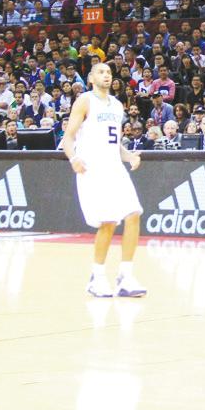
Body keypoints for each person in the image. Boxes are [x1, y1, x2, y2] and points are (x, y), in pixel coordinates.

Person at [60, 63, 146, 298]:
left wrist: (129, 156)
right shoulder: (85, 101)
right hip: (92, 168)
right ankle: (96, 277)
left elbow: (114, 142)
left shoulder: (117, 105)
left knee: (133, 213)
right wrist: (73, 158)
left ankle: (125, 277)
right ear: (90, 78)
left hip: (115, 167)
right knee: (108, 221)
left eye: (108, 72)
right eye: (101, 72)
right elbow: (68, 137)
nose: (106, 75)